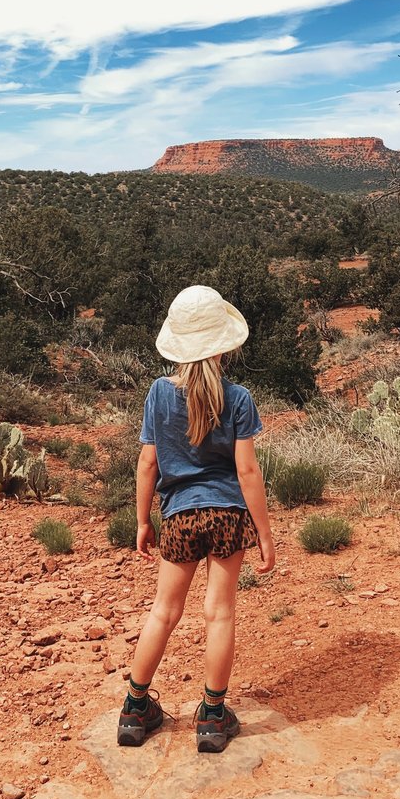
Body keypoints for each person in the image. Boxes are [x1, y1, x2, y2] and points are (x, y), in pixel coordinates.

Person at [117, 284, 276, 753]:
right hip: (228, 516)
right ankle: (211, 715)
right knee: (219, 612)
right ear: (223, 342)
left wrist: (143, 520)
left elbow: (148, 464)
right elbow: (247, 471)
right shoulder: (239, 398)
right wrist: (265, 534)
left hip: (180, 517)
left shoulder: (158, 395)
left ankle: (134, 708)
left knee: (164, 612)